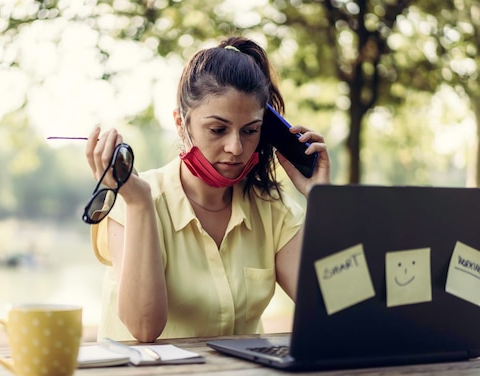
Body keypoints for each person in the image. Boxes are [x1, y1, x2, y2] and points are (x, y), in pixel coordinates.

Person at [86, 36, 331, 342]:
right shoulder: (134, 199)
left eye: (250, 131)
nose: (235, 147)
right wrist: (139, 203)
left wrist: (323, 201)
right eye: (217, 129)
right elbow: (144, 327)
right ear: (180, 123)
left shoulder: (272, 210)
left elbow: (337, 306)